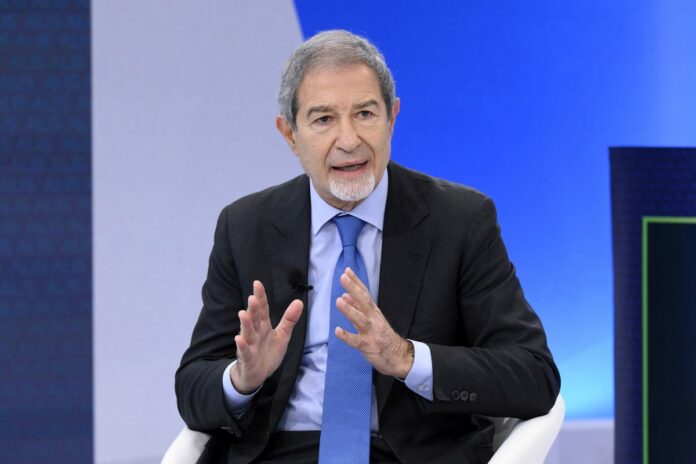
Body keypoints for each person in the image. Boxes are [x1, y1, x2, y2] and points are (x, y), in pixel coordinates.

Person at [175, 30, 560, 464]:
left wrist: (406, 358)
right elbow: (192, 386)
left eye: (365, 113)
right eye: (323, 119)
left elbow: (534, 376)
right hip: (280, 453)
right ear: (290, 135)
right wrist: (243, 378)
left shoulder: (460, 221)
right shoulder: (246, 226)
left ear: (391, 118)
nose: (349, 140)